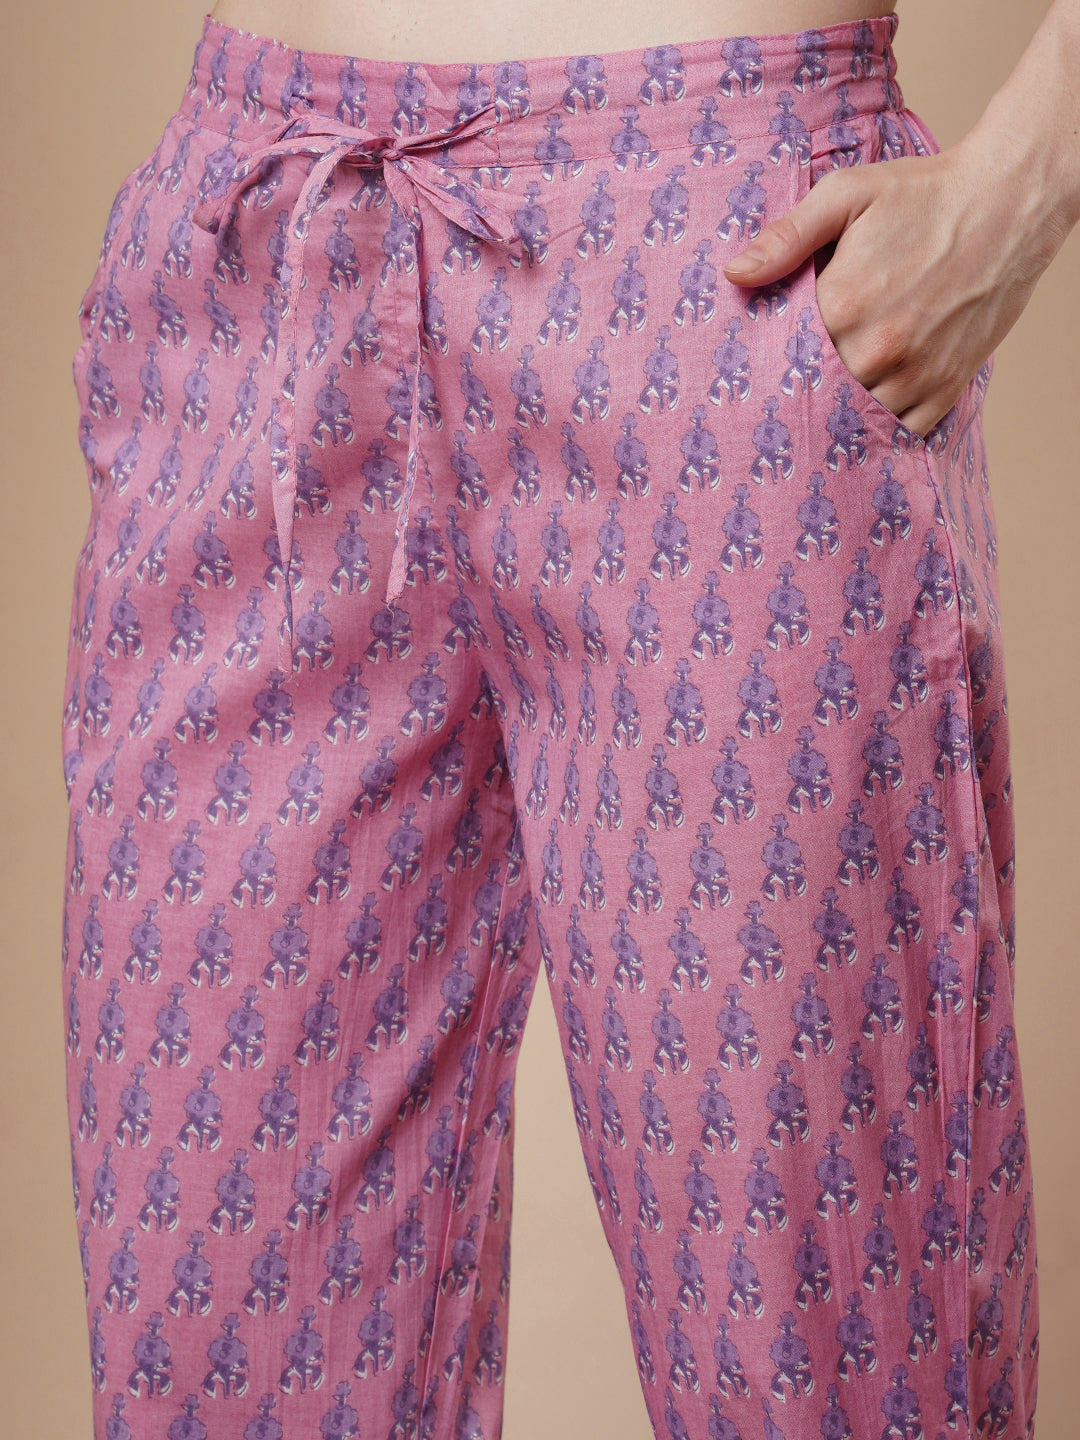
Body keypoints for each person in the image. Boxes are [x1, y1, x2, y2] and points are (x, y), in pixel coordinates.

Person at [60, 2, 1067, 1436]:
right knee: (215, 1348)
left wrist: (1031, 173)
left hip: (720, 264)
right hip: (263, 252)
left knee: (814, 1355)